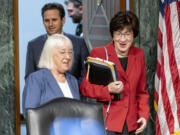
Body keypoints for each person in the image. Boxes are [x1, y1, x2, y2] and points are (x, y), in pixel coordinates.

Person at [80, 11, 149, 135]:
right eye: (119, 34)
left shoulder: (139, 54)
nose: (123, 39)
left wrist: (143, 115)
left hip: (131, 124)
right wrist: (108, 90)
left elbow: (141, 92)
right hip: (108, 124)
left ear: (134, 35)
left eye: (127, 34)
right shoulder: (99, 53)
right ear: (112, 34)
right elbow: (85, 88)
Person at [25, 2, 89, 85]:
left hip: (73, 96)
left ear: (63, 20)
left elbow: (86, 74)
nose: (50, 24)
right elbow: (30, 78)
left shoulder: (79, 43)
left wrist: (73, 91)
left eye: (54, 20)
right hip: (45, 97)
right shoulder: (33, 45)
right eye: (47, 21)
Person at [23, 34, 80, 117]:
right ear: (50, 54)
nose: (68, 57)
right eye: (62, 52)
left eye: (70, 52)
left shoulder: (73, 80)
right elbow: (30, 115)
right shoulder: (36, 79)